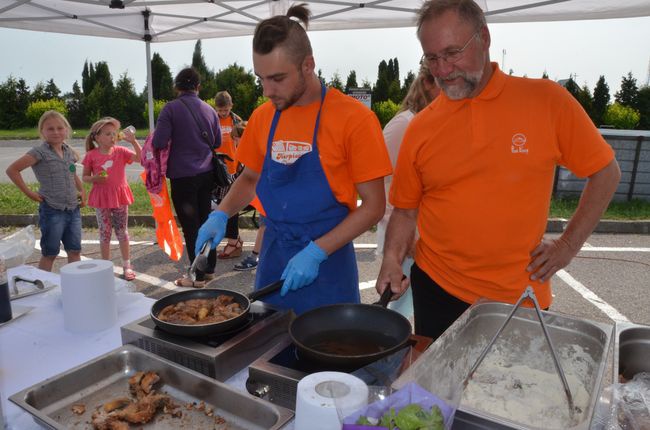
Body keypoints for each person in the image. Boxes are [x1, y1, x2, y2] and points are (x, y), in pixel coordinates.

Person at [376, 0, 621, 341]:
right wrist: (391, 258)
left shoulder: (546, 101)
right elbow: (404, 210)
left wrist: (567, 245)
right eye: (432, 58)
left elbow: (606, 172)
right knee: (442, 390)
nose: (443, 69)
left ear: (484, 38)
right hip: (436, 287)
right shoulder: (421, 127)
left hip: (518, 297)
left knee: (508, 388)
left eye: (452, 52)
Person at [196, 3, 392, 315]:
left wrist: (316, 251)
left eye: (277, 78)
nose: (267, 90)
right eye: (261, 78)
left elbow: (373, 206)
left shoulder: (354, 119)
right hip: (274, 258)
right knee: (269, 354)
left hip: (328, 263)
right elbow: (250, 178)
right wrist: (220, 214)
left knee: (329, 351)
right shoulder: (263, 117)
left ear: (308, 65)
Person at [376, 63, 439, 318]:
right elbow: (382, 189)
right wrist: (408, 241)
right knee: (396, 316)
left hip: (430, 244)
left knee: (416, 314)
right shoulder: (404, 125)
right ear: (427, 84)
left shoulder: (437, 122)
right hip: (408, 244)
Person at [153, 67, 221, 288]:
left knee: (191, 227)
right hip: (207, 173)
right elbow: (218, 142)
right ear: (198, 87)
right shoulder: (209, 110)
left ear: (177, 87)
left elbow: (159, 142)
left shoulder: (170, 109)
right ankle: (209, 269)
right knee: (206, 221)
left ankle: (196, 277)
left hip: (183, 176)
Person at [6, 110, 85, 272]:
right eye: (50, 129)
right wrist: (30, 193)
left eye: (59, 128)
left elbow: (72, 173)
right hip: (52, 211)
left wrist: (82, 191)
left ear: (66, 130)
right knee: (50, 253)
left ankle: (76, 284)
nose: (56, 132)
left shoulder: (68, 151)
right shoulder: (39, 152)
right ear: (42, 132)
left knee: (75, 251)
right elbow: (12, 170)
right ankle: (43, 287)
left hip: (73, 209)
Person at [81, 117, 142, 280]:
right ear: (97, 137)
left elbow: (141, 159)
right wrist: (95, 179)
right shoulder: (91, 155)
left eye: (114, 133)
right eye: (108, 134)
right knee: (105, 232)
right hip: (101, 197)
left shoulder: (121, 151)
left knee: (122, 231)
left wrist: (133, 141)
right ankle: (106, 266)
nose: (113, 137)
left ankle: (127, 265)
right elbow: (85, 177)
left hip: (119, 196)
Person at [213, 91, 244, 259]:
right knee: (219, 205)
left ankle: (234, 240)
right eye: (220, 110)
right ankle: (232, 239)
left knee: (231, 205)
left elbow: (243, 141)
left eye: (225, 110)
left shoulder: (236, 121)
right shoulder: (212, 119)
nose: (223, 113)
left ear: (231, 106)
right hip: (217, 169)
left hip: (233, 169)